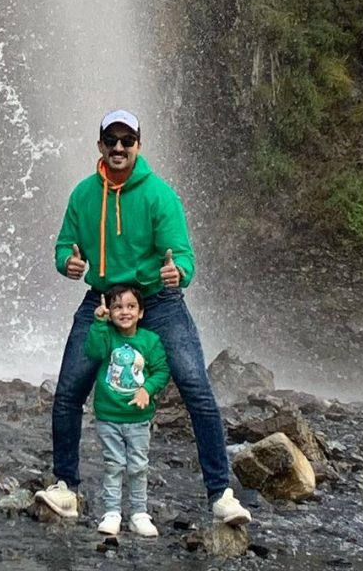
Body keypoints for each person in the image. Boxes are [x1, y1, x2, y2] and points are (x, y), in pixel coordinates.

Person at [34, 108, 251, 526]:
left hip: (157, 301)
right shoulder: (82, 195)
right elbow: (64, 246)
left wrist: (179, 272)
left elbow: (183, 255)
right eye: (111, 140)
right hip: (101, 300)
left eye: (126, 140)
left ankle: (221, 495)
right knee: (68, 392)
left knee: (195, 386)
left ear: (138, 145)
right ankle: (64, 487)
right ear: (100, 145)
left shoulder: (159, 195)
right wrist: (69, 263)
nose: (118, 147)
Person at [84, 284, 169, 537]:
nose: (124, 311)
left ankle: (139, 514)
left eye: (131, 306)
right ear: (109, 311)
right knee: (113, 464)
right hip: (108, 416)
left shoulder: (150, 341)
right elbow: (93, 351)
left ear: (141, 312)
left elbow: (162, 370)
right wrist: (98, 323)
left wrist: (147, 390)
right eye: (118, 307)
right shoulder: (107, 336)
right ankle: (112, 513)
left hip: (139, 419)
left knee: (138, 465)